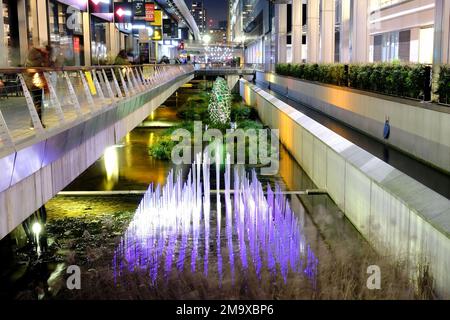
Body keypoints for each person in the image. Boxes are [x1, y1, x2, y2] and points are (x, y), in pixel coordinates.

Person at [24, 46, 51, 128]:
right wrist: (44, 58)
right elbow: (40, 66)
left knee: (37, 102)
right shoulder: (35, 54)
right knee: (37, 102)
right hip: (34, 82)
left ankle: (35, 123)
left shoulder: (35, 54)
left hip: (34, 82)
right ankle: (36, 123)